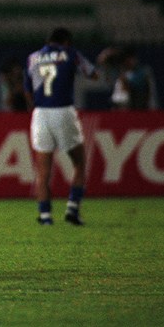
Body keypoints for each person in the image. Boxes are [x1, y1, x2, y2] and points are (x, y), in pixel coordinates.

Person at [23, 27, 99, 226]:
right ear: (66, 41)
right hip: (63, 110)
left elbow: (28, 91)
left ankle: (45, 216)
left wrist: (38, 107)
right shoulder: (71, 54)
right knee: (80, 162)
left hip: (40, 114)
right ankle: (72, 208)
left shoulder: (33, 57)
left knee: (42, 171)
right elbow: (93, 74)